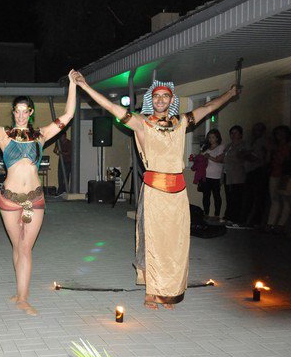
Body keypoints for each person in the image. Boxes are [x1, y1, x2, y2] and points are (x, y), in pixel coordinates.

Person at [75, 76, 239, 309]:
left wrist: (230, 94)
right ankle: (152, 292)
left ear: (172, 100)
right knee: (154, 242)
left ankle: (169, 292)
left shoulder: (181, 122)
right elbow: (111, 107)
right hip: (155, 190)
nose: (161, 100)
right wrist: (84, 86)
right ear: (151, 100)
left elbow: (209, 107)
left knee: (175, 244)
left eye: (165, 96)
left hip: (178, 192)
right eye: (156, 96)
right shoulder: (142, 123)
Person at [0, 65, 77, 316]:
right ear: (13, 112)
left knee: (25, 248)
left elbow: (68, 115)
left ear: (31, 112)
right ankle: (19, 292)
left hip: (35, 199)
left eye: (25, 111)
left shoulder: (41, 135)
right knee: (17, 246)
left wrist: (73, 85)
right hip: (9, 200)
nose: (21, 115)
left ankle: (22, 297)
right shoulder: (3, 136)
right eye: (17, 111)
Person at [265, 125, 291, 233]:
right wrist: (270, 151)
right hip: (274, 173)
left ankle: (279, 224)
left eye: (282, 133)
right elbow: (268, 160)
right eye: (277, 133)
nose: (279, 135)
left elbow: (282, 160)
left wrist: (274, 151)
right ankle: (271, 223)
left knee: (286, 200)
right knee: (275, 199)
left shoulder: (288, 146)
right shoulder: (276, 146)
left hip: (285, 175)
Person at [242, 123, 267, 227]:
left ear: (262, 131)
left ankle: (256, 221)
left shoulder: (263, 142)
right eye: (254, 129)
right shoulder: (250, 141)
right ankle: (247, 220)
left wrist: (247, 154)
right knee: (249, 196)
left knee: (258, 197)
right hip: (249, 171)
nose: (255, 131)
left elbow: (256, 158)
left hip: (258, 171)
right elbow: (241, 154)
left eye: (258, 129)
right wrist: (247, 154)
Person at [223, 125, 247, 227]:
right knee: (229, 197)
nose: (233, 135)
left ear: (240, 134)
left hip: (237, 175)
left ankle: (236, 219)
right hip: (227, 174)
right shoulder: (229, 146)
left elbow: (242, 158)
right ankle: (228, 217)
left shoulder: (243, 145)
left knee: (236, 197)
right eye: (231, 133)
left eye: (235, 133)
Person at [202, 129, 225, 220]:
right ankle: (206, 213)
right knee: (206, 196)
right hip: (206, 175)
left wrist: (209, 156)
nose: (211, 139)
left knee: (216, 196)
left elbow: (219, 160)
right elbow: (201, 158)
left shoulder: (221, 147)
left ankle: (217, 215)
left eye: (213, 137)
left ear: (217, 138)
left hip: (216, 176)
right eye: (209, 137)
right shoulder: (205, 148)